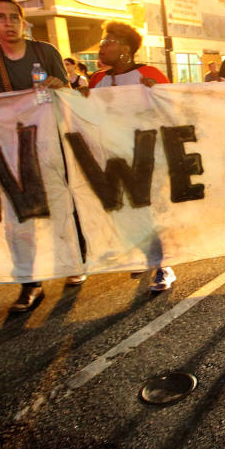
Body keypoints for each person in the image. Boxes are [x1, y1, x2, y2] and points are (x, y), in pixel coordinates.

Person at [0, 0, 83, 313]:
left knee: (60, 207)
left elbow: (68, 96)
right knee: (21, 216)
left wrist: (60, 85)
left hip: (50, 144)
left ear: (23, 21)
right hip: (14, 145)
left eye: (14, 17)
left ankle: (71, 260)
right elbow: (2, 97)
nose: (9, 23)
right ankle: (31, 283)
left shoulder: (44, 51)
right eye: (1, 18)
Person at [84, 20, 178, 291]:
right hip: (112, 154)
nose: (102, 47)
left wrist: (157, 94)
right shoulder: (97, 79)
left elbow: (172, 110)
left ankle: (163, 265)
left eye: (108, 41)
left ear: (126, 48)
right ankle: (144, 253)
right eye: (102, 41)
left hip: (146, 152)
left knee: (149, 207)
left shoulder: (149, 74)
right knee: (125, 208)